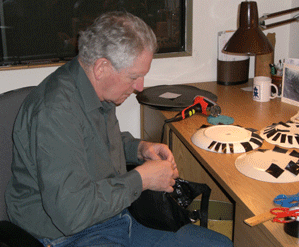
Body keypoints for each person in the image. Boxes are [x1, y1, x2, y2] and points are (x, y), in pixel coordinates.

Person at [5, 11, 233, 247]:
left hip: (112, 217)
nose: (139, 86)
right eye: (134, 76)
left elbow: (92, 140)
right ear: (102, 67)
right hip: (69, 235)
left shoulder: (95, 88)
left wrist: (140, 148)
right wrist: (142, 179)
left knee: (219, 244)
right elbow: (72, 214)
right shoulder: (54, 112)